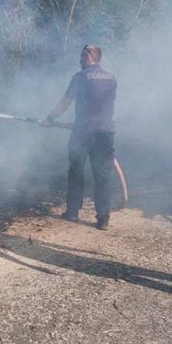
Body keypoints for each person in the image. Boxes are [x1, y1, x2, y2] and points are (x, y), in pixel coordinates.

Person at [43, 45, 117, 230]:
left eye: (82, 56)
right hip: (105, 133)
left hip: (82, 133)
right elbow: (103, 105)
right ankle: (103, 219)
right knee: (103, 176)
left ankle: (73, 213)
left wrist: (50, 119)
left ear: (89, 57)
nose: (79, 59)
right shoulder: (111, 78)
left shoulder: (80, 77)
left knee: (76, 172)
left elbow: (66, 102)